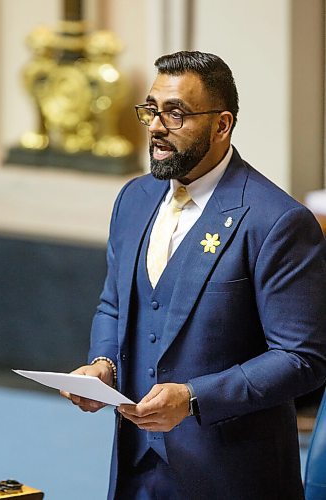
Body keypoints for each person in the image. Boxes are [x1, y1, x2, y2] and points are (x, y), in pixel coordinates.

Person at [62, 51, 326, 499]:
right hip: (135, 468)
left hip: (232, 475)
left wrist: (194, 397)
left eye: (176, 113)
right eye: (151, 110)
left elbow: (303, 358)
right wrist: (102, 366)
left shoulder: (277, 221)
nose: (156, 127)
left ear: (222, 125)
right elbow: (114, 304)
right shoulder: (134, 199)